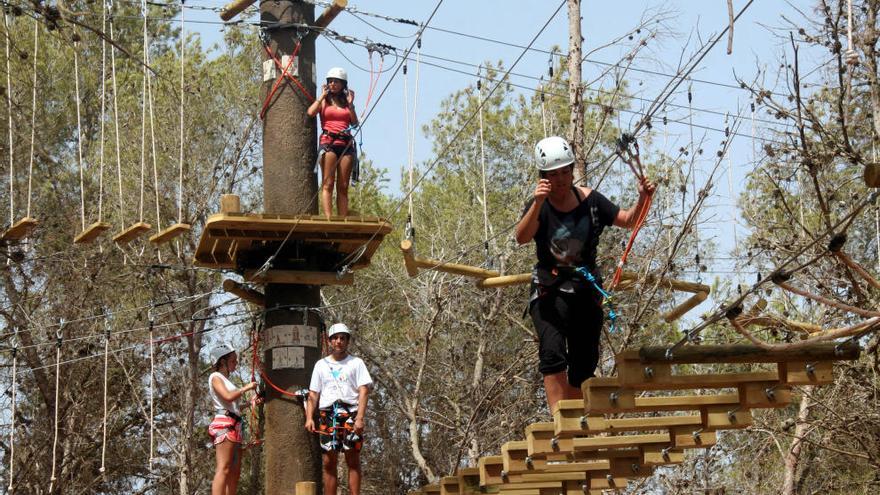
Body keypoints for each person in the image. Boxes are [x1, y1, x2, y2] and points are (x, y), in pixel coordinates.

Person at [515, 136, 655, 412]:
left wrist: (643, 197)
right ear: (543, 177)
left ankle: (575, 418)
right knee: (552, 352)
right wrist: (538, 202)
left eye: (565, 171)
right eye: (553, 175)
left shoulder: (590, 200)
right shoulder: (538, 205)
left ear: (572, 171)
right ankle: (559, 419)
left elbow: (629, 221)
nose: (561, 179)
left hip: (584, 289)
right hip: (549, 288)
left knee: (584, 361)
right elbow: (521, 237)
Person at [304, 323, 373, 495]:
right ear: (330, 341)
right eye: (335, 338)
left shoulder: (356, 363)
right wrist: (309, 418)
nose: (339, 341)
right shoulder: (321, 365)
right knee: (329, 461)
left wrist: (360, 418)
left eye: (343, 338)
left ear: (347, 341)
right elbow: (313, 394)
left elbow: (364, 390)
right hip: (328, 413)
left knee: (352, 458)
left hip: (350, 411)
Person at [307, 67, 359, 218]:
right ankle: (329, 218)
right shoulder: (324, 101)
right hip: (328, 143)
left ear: (343, 84)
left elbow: (354, 123)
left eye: (336, 81)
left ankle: (342, 219)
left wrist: (350, 104)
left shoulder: (346, 103)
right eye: (330, 81)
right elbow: (311, 112)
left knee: (343, 186)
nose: (333, 84)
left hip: (345, 144)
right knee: (328, 183)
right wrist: (322, 96)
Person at [207, 343, 258, 495]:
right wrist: (247, 387)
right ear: (222, 361)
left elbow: (233, 406)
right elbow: (228, 396)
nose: (236, 363)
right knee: (224, 467)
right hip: (225, 424)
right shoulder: (215, 377)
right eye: (233, 360)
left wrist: (250, 403)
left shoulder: (226, 380)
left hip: (235, 424)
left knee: (234, 472)